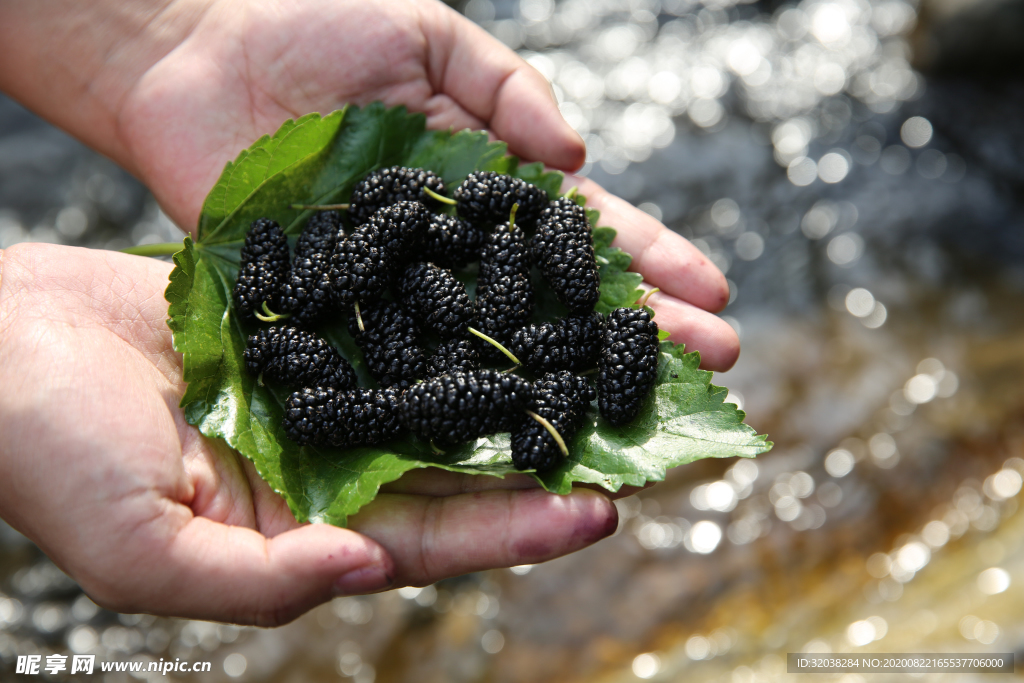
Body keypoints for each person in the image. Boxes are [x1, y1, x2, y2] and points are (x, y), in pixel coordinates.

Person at [0, 0, 739, 626]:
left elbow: (442, 335)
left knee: (443, 349)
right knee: (391, 359)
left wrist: (173, 29)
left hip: (447, 320)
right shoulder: (344, 284)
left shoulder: (465, 284)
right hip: (393, 314)